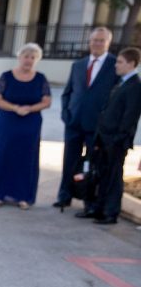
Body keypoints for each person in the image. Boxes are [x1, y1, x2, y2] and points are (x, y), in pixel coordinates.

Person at [0, 43, 52, 209]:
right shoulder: (6, 76)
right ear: (19, 57)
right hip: (7, 121)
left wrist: (29, 109)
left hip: (30, 124)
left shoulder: (40, 78)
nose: (28, 60)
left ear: (37, 60)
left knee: (26, 158)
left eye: (33, 57)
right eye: (26, 56)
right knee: (2, 154)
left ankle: (22, 196)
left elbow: (47, 101)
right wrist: (15, 108)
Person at [75, 47, 141, 225]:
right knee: (101, 175)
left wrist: (116, 139)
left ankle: (110, 212)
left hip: (115, 141)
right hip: (103, 138)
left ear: (131, 63)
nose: (116, 65)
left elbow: (129, 117)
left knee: (113, 177)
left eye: (120, 62)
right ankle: (98, 209)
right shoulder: (122, 82)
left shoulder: (135, 85)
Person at [56, 27, 117, 208]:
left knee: (92, 164)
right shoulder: (78, 65)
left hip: (97, 126)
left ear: (108, 43)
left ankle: (89, 201)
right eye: (94, 40)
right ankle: (64, 196)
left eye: (101, 40)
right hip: (74, 123)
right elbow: (67, 93)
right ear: (89, 42)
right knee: (69, 161)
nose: (97, 43)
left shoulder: (114, 65)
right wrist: (66, 113)